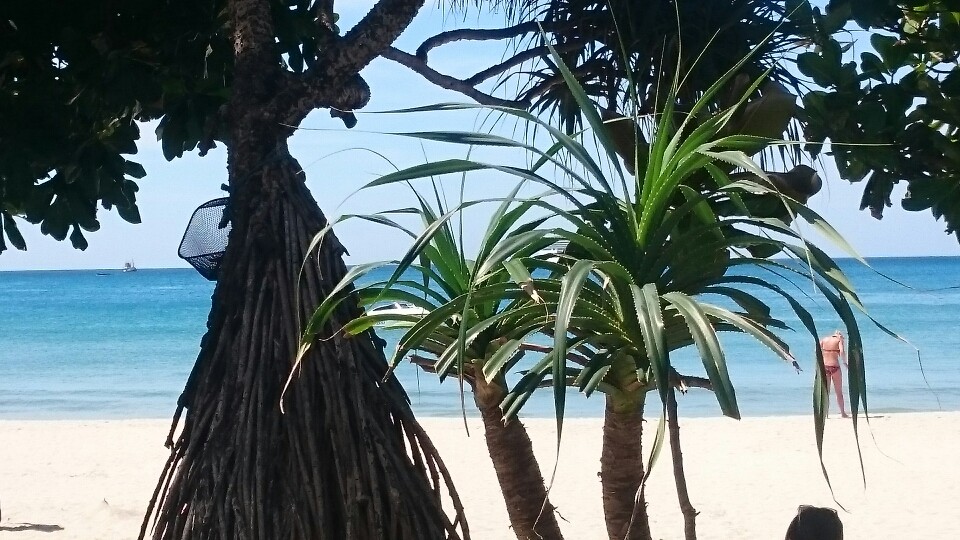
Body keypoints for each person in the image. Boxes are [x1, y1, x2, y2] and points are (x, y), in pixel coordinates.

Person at [819, 330, 849, 418]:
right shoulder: (839, 340)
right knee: (839, 392)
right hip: (835, 367)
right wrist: (845, 363)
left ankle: (825, 414)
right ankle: (843, 413)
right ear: (839, 336)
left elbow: (816, 350)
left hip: (825, 367)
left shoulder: (824, 339)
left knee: (826, 392)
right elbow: (842, 352)